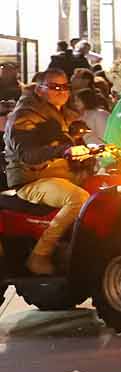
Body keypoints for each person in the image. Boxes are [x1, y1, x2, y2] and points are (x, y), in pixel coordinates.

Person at [3, 70, 94, 274]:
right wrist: (63, 150)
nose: (61, 91)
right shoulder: (25, 115)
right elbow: (28, 155)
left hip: (63, 175)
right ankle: (40, 255)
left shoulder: (65, 114)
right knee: (78, 198)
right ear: (39, 89)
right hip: (32, 179)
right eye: (54, 87)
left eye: (65, 87)